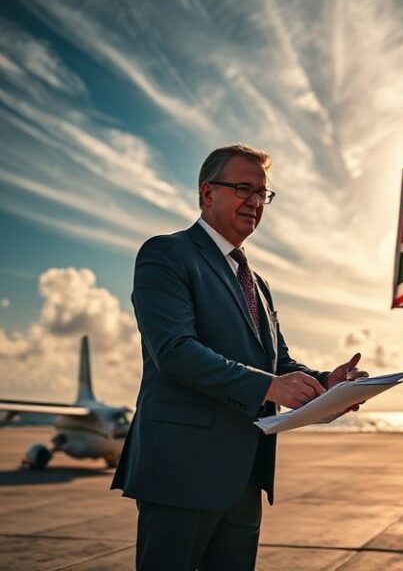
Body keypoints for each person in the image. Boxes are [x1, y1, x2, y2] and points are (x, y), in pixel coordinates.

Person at [112, 144, 367, 570]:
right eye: (243, 188)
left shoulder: (258, 283)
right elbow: (174, 352)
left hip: (245, 478)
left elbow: (279, 364)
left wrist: (329, 384)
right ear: (207, 193)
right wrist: (267, 386)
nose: (254, 202)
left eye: (262, 194)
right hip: (180, 472)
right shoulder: (166, 254)